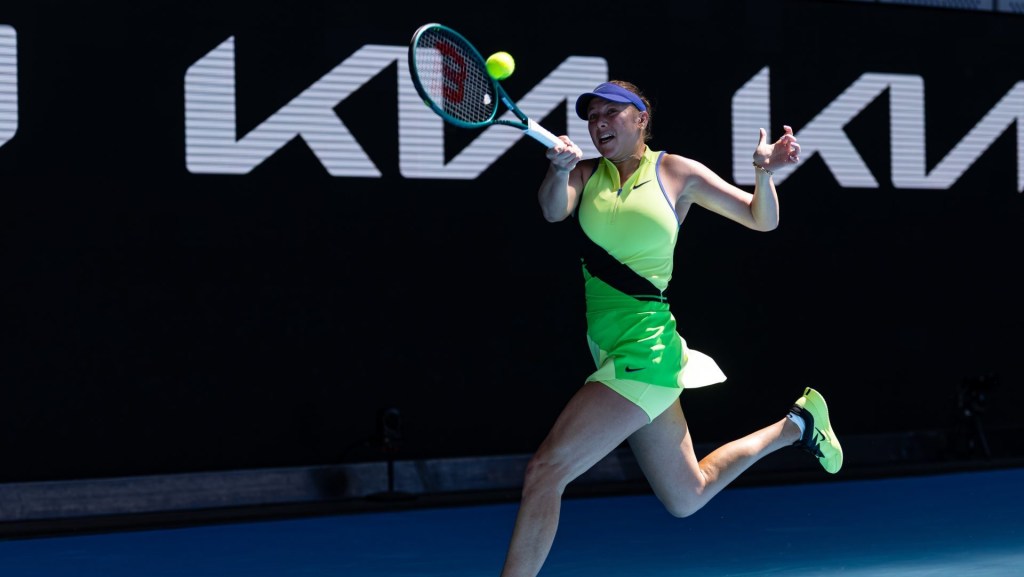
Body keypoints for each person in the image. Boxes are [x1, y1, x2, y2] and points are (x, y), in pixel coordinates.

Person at [499, 80, 843, 577]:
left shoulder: (676, 171)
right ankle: (798, 425)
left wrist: (763, 172)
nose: (598, 123)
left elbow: (759, 219)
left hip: (646, 349)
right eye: (591, 115)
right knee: (688, 495)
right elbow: (554, 210)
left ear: (641, 118)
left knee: (545, 472)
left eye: (611, 113)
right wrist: (558, 170)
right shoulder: (584, 172)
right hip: (610, 347)